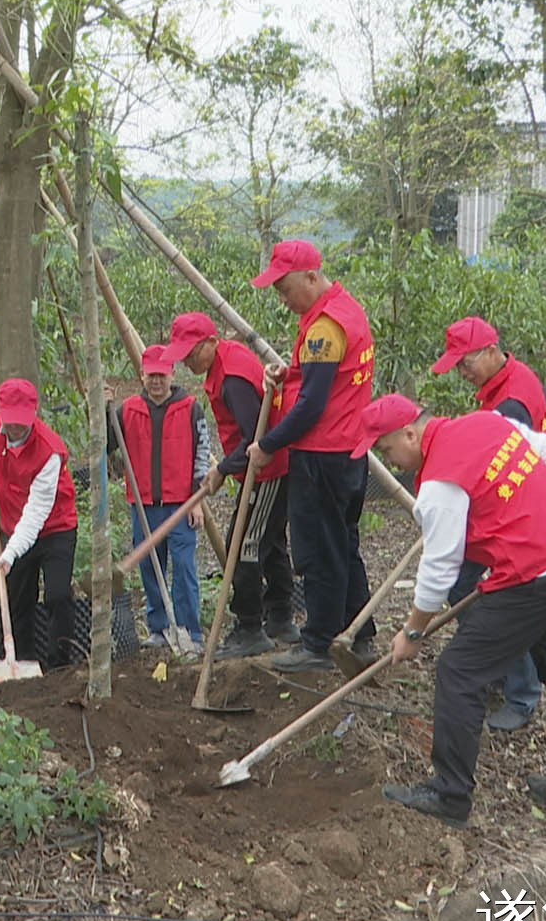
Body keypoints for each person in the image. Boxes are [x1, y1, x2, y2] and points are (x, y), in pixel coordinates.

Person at [357, 394, 546, 828]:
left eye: (388, 449)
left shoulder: (438, 483)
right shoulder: (486, 423)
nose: (390, 462)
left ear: (411, 433)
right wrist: (537, 513)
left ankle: (450, 795)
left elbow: (440, 568)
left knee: (458, 671)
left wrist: (413, 633)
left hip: (535, 575)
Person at [246, 239, 377, 673]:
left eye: (285, 289)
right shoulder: (344, 310)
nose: (283, 300)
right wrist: (290, 373)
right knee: (343, 544)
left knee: (319, 551)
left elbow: (312, 406)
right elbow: (322, 379)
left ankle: (319, 642)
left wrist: (268, 444)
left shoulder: (324, 328)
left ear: (310, 276)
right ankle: (360, 634)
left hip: (323, 454)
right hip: (349, 449)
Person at [431, 316, 546, 731]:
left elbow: (504, 460)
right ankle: (500, 669)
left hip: (516, 513)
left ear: (489, 351)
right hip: (515, 504)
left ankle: (520, 690)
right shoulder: (509, 376)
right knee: (468, 584)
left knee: (489, 592)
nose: (462, 373)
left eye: (465, 364)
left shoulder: (512, 404)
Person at [159, 311, 298, 657]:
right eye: (184, 356)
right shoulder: (225, 361)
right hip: (263, 465)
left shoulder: (232, 376)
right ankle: (280, 616)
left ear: (211, 341)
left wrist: (221, 469)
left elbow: (257, 435)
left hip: (268, 469)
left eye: (193, 352)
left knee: (243, 545)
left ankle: (250, 625)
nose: (189, 361)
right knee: (270, 541)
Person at [108, 344, 218, 654]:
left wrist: (197, 499)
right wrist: (103, 411)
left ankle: (190, 632)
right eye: (151, 376)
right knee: (151, 568)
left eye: (162, 375)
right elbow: (104, 445)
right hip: (143, 506)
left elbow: (202, 456)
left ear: (172, 374)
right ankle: (159, 628)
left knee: (183, 568)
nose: (157, 381)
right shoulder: (127, 411)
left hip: (181, 505)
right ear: (142, 376)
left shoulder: (191, 408)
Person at [0, 378, 82, 670]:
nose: (14, 428)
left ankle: (59, 666)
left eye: (21, 422)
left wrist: (10, 553)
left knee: (58, 595)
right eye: (10, 421)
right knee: (18, 597)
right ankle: (23, 662)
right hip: (12, 521)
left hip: (55, 526)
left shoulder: (50, 451)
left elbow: (36, 514)